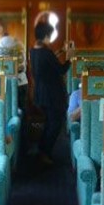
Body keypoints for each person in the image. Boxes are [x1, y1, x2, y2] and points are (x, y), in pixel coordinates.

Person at [30, 22, 74, 165]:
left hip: (40, 93)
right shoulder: (46, 52)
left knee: (49, 122)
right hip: (52, 95)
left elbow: (48, 62)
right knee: (55, 124)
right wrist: (70, 57)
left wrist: (61, 51)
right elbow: (61, 70)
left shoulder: (34, 50)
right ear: (46, 35)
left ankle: (41, 150)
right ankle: (45, 152)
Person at [0, 19, 28, 108]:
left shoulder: (0, 45)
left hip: (11, 85)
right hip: (23, 81)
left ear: (0, 29)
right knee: (22, 113)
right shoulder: (16, 41)